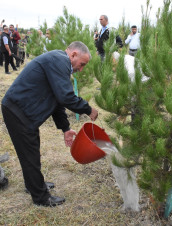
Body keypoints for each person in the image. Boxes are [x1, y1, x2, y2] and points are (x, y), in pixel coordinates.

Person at [1, 41, 99, 207]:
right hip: (17, 111)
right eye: (82, 64)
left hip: (23, 112)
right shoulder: (59, 60)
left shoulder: (58, 62)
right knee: (29, 155)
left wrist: (65, 128)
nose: (81, 69)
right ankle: (40, 197)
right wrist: (88, 109)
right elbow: (66, 97)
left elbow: (57, 102)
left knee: (31, 151)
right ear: (73, 54)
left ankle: (34, 185)